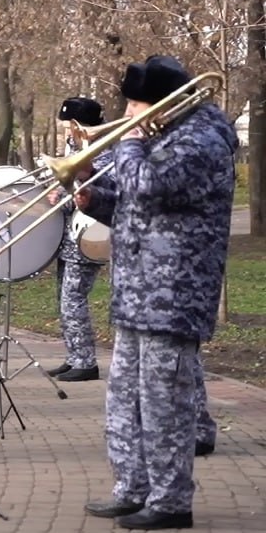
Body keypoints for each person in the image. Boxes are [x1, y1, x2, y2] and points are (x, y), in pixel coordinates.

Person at [78, 56, 236, 530]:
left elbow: (149, 186)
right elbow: (136, 206)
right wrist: (94, 199)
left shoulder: (202, 139)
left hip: (174, 294)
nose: (127, 114)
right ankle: (132, 488)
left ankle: (171, 502)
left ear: (165, 102)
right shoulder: (164, 135)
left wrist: (126, 147)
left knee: (166, 402)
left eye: (134, 104)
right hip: (138, 291)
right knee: (125, 398)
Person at [45, 97, 110, 382]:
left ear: (78, 125)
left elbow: (93, 188)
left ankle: (86, 361)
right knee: (64, 298)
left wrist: (60, 196)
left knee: (74, 299)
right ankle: (74, 356)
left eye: (67, 126)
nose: (65, 132)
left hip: (91, 233)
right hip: (69, 235)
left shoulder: (103, 148)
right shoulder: (76, 147)